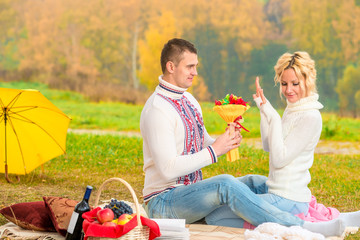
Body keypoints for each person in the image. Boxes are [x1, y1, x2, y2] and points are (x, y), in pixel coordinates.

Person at [140, 39, 347, 237]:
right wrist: (215, 151)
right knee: (225, 185)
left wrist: (224, 143)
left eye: (196, 66)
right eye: (190, 66)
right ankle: (303, 226)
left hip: (190, 192)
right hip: (164, 202)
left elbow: (203, 142)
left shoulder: (189, 100)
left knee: (253, 182)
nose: (195, 72)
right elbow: (168, 169)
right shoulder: (158, 109)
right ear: (171, 66)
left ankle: (299, 208)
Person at [203, 51, 360, 233]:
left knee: (215, 217)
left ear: (308, 81)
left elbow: (279, 159)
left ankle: (296, 225)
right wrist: (264, 111)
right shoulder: (293, 108)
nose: (288, 90)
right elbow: (269, 145)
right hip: (279, 193)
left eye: (295, 83)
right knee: (234, 198)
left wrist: (274, 118)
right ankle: (344, 218)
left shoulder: (311, 116)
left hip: (288, 199)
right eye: (284, 83)